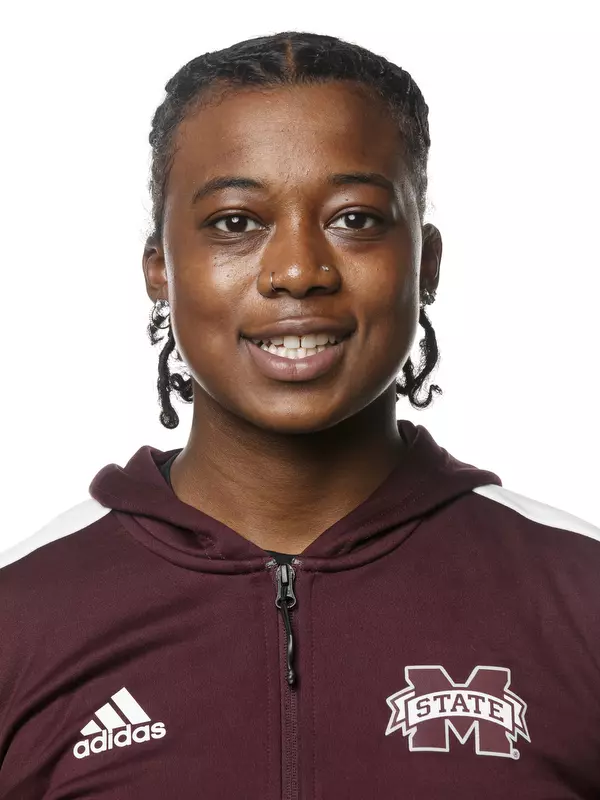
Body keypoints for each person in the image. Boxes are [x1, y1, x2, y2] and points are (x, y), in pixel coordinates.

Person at [1, 30, 599, 800]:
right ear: (160, 269)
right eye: (235, 223)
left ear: (427, 262)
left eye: (354, 218)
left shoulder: (580, 598)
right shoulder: (21, 619)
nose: (297, 272)